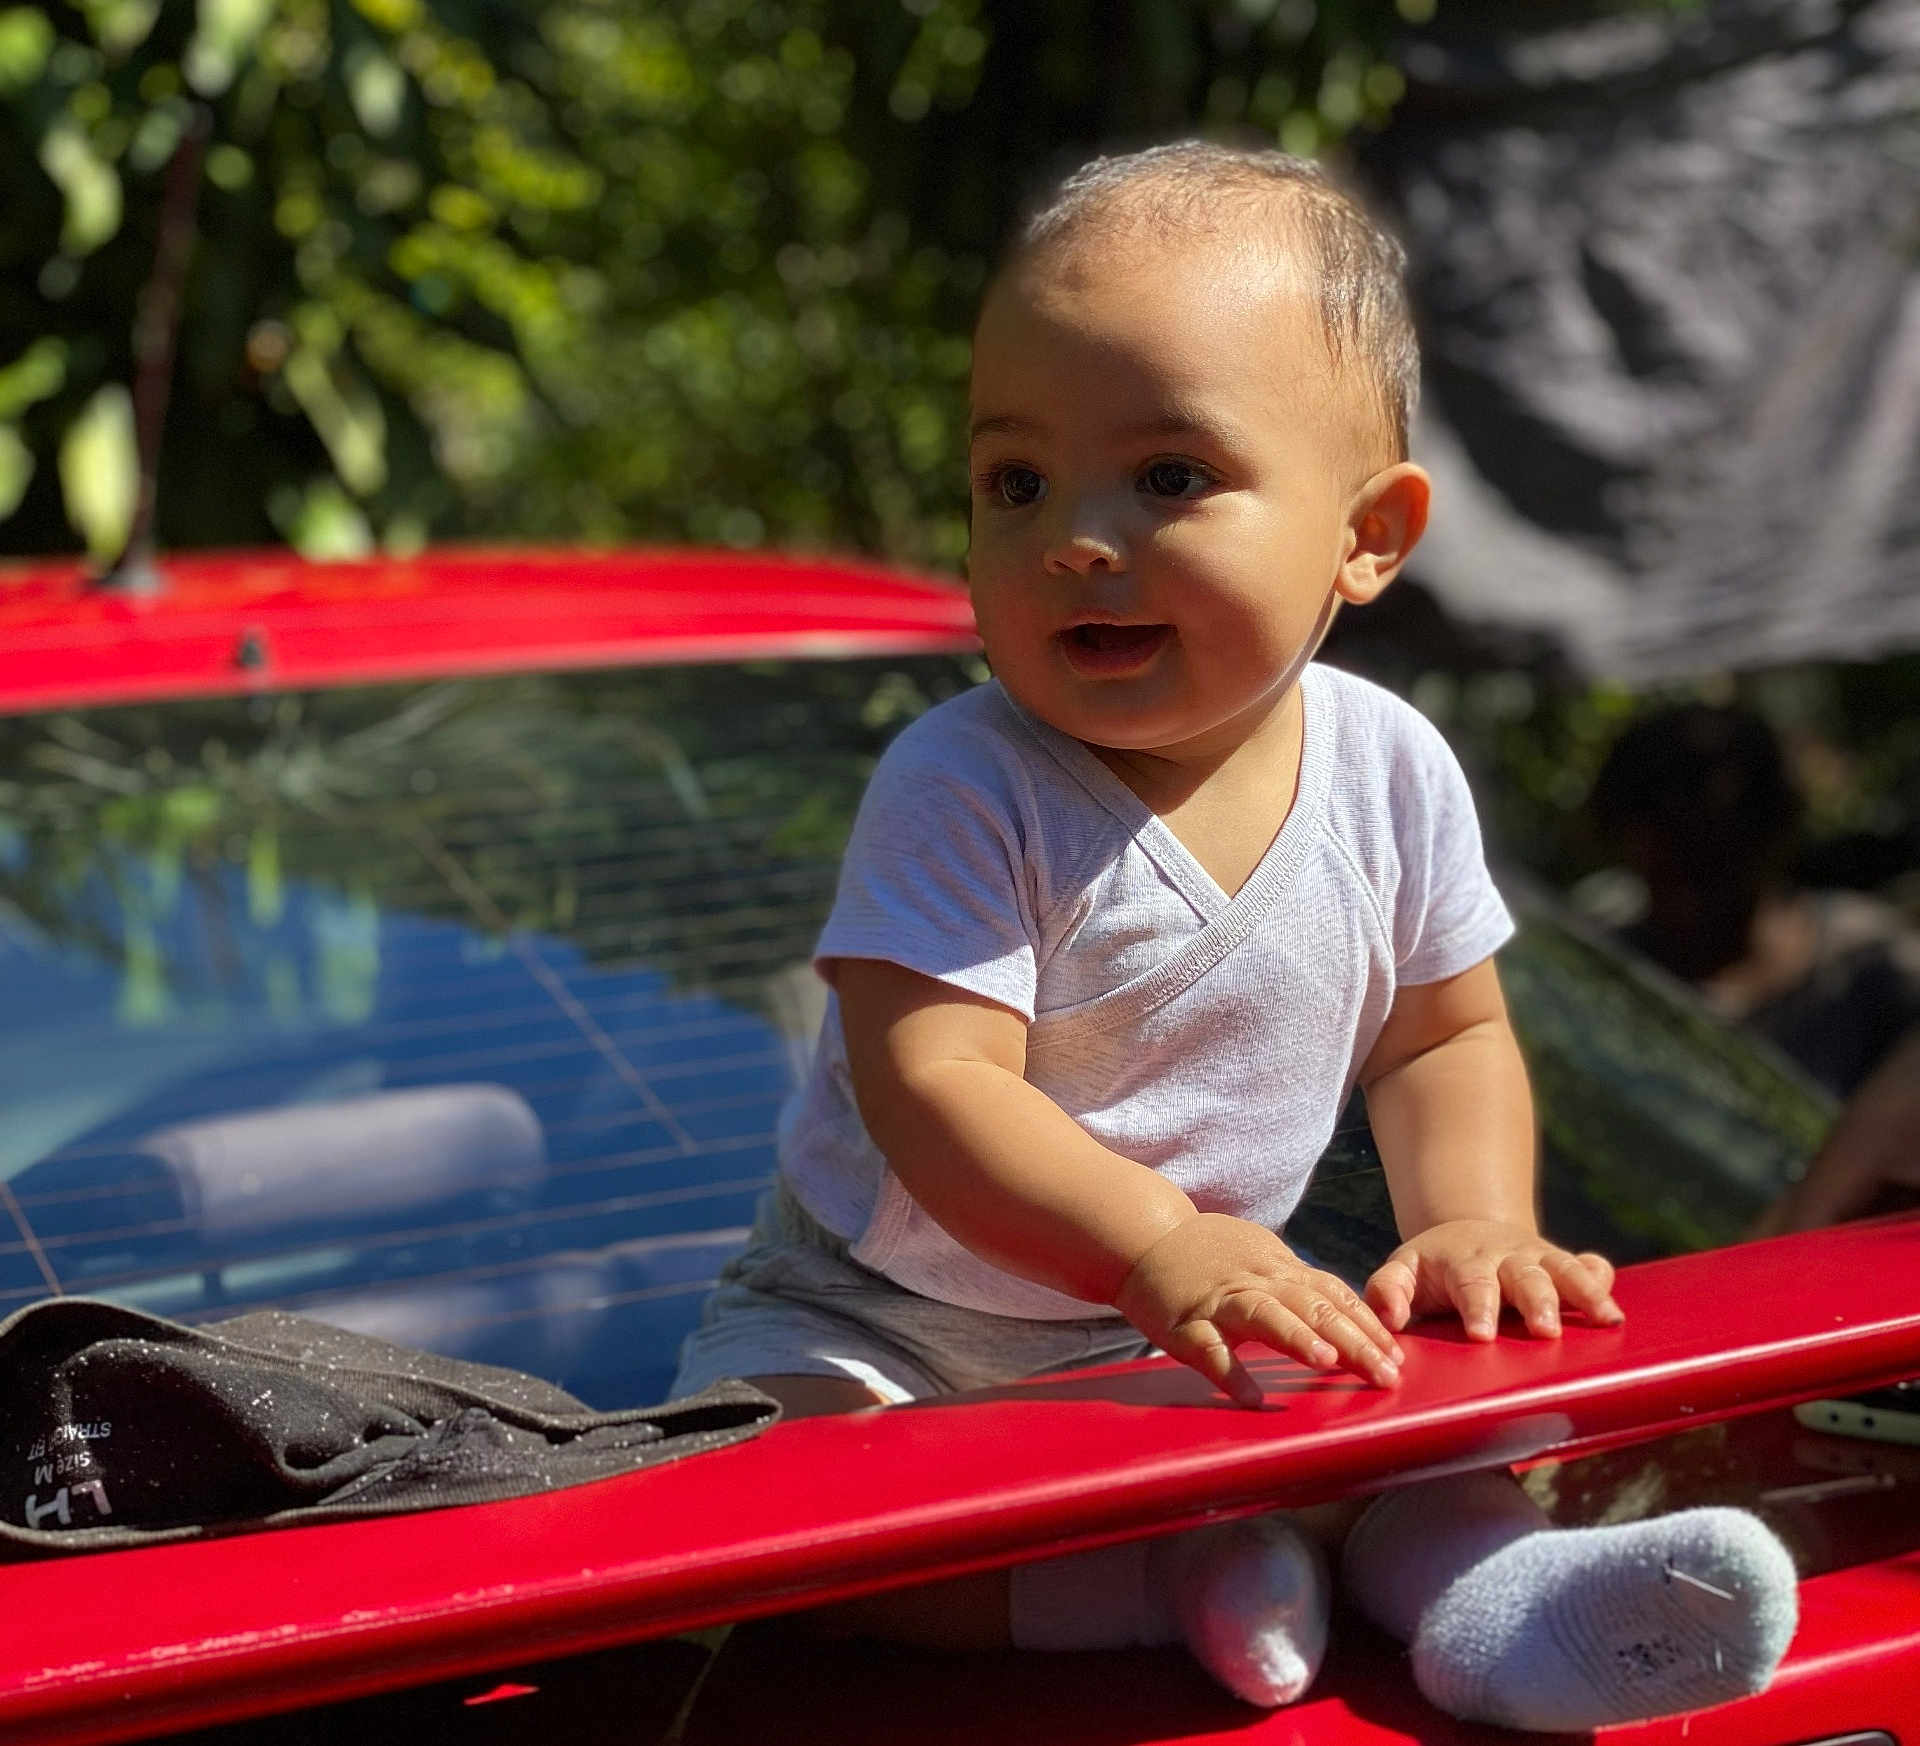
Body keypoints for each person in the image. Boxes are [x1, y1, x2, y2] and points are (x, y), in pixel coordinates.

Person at [673, 142, 1798, 1730]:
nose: (1076, 536)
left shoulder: (1390, 768)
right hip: (889, 1327)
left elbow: (1446, 1030)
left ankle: (1506, 1604)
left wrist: (1473, 1219)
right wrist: (1156, 1245)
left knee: (1421, 1417)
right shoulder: (963, 778)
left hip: (1193, 1318)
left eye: (1170, 477)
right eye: (1016, 482)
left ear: (1370, 532)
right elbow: (937, 1088)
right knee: (768, 1509)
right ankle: (1165, 1578)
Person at [1587, 703, 1920, 1236]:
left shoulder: (1875, 970)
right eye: (1663, 836)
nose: (1689, 868)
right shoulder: (1592, 989)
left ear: (1770, 830)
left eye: (1712, 841)